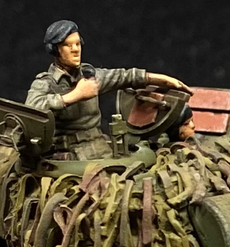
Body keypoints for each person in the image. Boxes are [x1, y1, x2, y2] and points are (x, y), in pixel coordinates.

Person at [25, 20, 188, 159]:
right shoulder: (46, 82)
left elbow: (123, 77)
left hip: (98, 144)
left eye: (77, 43)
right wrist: (75, 95)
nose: (76, 49)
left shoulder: (89, 75)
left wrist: (158, 79)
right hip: (69, 152)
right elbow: (31, 109)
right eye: (68, 45)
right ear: (55, 50)